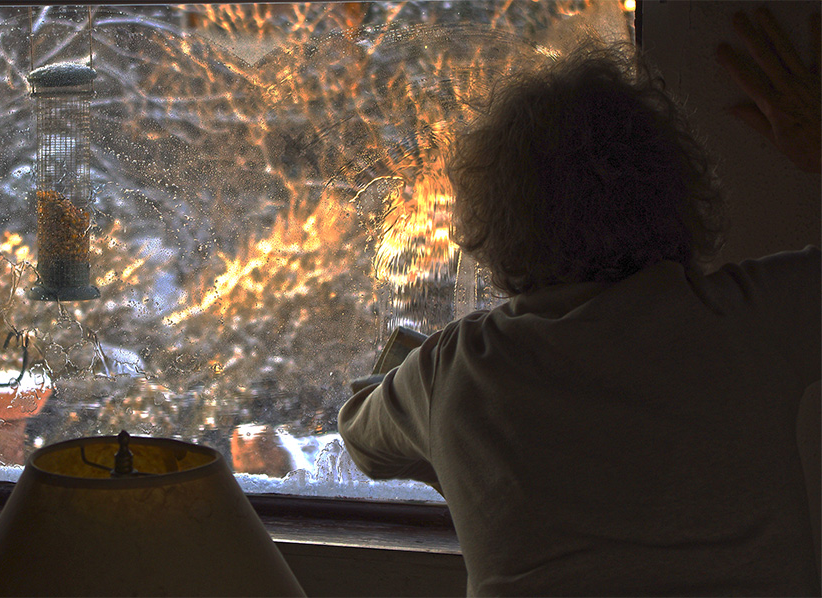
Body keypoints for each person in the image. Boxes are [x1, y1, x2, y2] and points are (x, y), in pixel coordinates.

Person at [338, 8, 821, 597]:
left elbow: (359, 437)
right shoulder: (752, 320)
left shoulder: (454, 369)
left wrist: (452, 427)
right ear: (680, 192)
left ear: (492, 227)